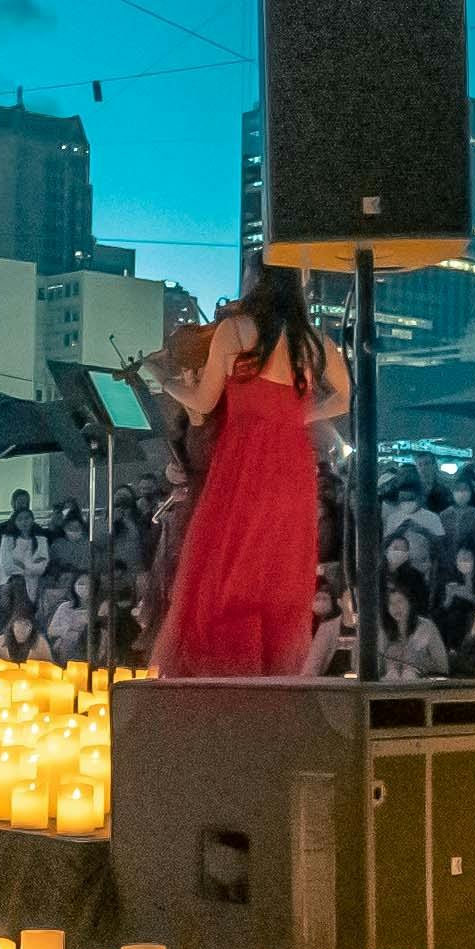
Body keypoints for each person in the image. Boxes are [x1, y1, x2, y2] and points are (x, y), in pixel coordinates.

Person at [149, 268, 342, 678]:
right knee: (276, 571)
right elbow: (345, 396)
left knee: (227, 568)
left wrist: (164, 381)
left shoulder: (235, 330)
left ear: (256, 280)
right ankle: (270, 674)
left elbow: (203, 401)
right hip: (291, 465)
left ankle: (228, 671)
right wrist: (297, 415)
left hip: (243, 460)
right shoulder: (313, 341)